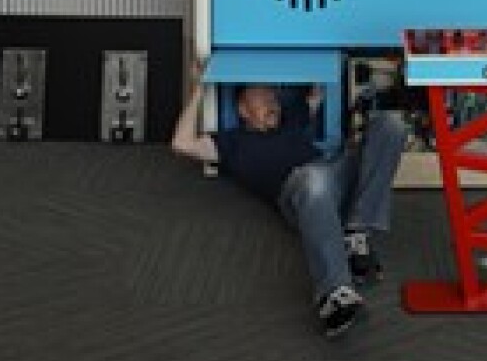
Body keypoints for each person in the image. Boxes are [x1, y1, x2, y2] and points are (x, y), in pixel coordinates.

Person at [171, 71, 406, 338]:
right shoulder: (231, 142)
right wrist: (198, 88)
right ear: (242, 109)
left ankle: (357, 232)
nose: (273, 103)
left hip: (336, 174)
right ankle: (335, 294)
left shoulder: (292, 121)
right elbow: (181, 143)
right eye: (263, 98)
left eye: (274, 97)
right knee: (313, 179)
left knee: (391, 126)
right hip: (302, 192)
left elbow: (316, 84)